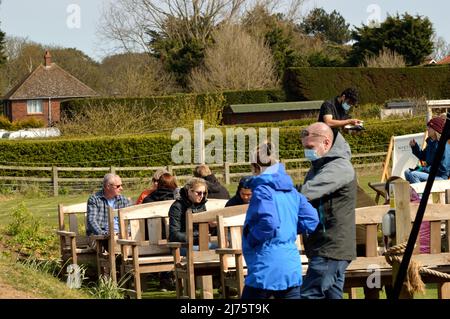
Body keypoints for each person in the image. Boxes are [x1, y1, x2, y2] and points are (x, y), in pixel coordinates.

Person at [241, 142, 319, 299]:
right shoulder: (292, 191)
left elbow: (269, 222)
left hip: (266, 262)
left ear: (256, 167)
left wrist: (253, 237)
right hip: (290, 263)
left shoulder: (263, 190)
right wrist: (287, 228)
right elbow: (312, 219)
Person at [298, 122, 357, 299]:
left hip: (331, 246)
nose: (307, 151)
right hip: (323, 244)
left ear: (326, 143)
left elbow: (307, 192)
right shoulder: (319, 166)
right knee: (332, 296)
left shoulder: (338, 167)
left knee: (309, 294)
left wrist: (279, 192)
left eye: (310, 146)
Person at [142, 172, 178, 291]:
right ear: (173, 184)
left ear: (158, 184)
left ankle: (165, 280)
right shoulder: (177, 199)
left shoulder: (147, 199)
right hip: (174, 242)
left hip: (150, 242)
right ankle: (170, 279)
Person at [404, 116, 450, 183]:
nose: (427, 129)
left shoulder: (443, 146)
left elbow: (444, 169)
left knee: (414, 175)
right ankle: (419, 192)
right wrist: (414, 147)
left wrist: (424, 169)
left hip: (440, 177)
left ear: (435, 130)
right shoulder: (431, 143)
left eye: (429, 127)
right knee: (407, 172)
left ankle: (420, 193)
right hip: (431, 174)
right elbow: (423, 156)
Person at [168, 177, 209, 245]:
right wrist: (195, 239)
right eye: (199, 193)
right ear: (189, 192)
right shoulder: (177, 207)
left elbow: (205, 230)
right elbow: (173, 235)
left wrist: (212, 227)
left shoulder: (201, 205)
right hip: (183, 245)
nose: (202, 196)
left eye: (204, 193)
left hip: (201, 243)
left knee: (225, 245)